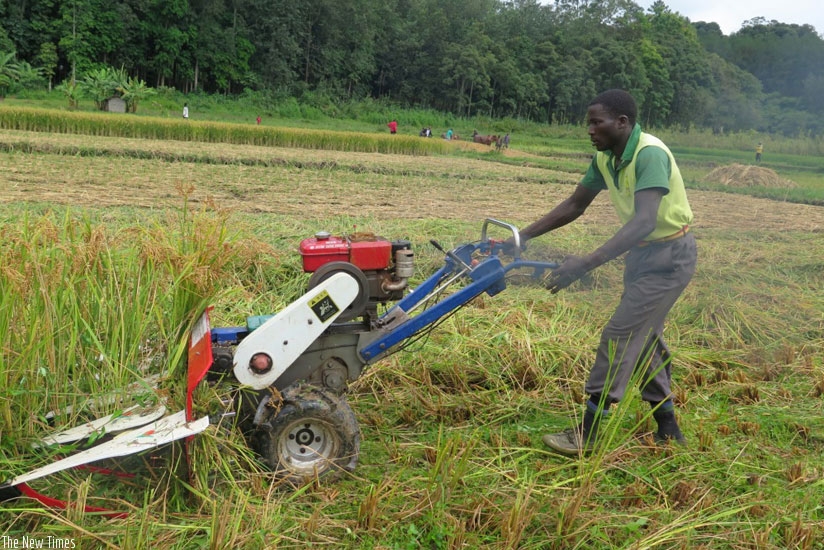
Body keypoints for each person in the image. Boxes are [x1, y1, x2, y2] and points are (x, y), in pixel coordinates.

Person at [508, 89, 696, 456]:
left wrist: (585, 263)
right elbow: (576, 204)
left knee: (620, 335)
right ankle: (668, 426)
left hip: (670, 257)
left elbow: (644, 222)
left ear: (622, 122)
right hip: (642, 258)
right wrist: (523, 236)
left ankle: (589, 433)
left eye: (598, 122)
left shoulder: (649, 155)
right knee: (642, 338)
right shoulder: (606, 158)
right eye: (589, 123)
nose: (590, 130)